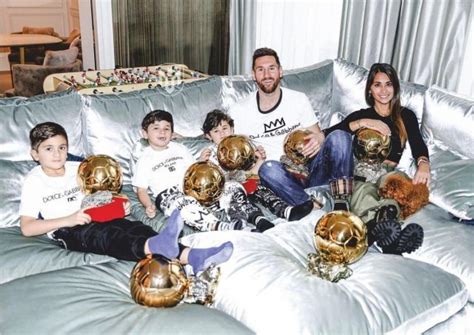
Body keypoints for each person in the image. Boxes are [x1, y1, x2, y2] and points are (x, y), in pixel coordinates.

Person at [19, 122, 233, 274]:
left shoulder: (79, 168)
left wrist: (118, 202)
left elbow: (102, 192)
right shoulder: (34, 181)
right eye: (49, 149)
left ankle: (194, 257)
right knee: (109, 236)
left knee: (137, 228)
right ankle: (164, 249)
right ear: (35, 154)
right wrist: (70, 219)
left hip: (97, 215)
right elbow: (27, 227)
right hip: (69, 229)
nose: (57, 154)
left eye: (62, 148)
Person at [228, 47, 354, 211]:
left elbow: (318, 135)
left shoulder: (298, 99)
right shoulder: (239, 110)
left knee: (339, 136)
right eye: (261, 70)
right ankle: (311, 207)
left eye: (271, 68)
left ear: (280, 71)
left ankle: (341, 204)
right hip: (279, 177)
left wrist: (318, 139)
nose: (267, 75)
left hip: (311, 168)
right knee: (268, 169)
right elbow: (236, 157)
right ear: (254, 74)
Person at [324, 63, 428, 255]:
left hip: (390, 172)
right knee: (363, 192)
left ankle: (381, 230)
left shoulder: (406, 116)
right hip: (364, 170)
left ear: (395, 87)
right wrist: (361, 123)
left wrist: (423, 164)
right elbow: (328, 135)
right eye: (377, 85)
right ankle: (385, 237)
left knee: (396, 190)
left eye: (388, 84)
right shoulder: (362, 115)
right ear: (370, 89)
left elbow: (418, 144)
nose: (383, 90)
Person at [132, 110, 242, 232]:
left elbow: (193, 169)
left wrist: (200, 161)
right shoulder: (144, 159)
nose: (162, 132)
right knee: (183, 204)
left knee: (231, 186)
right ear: (145, 133)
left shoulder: (180, 148)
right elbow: (141, 189)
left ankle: (243, 217)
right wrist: (148, 205)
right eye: (156, 128)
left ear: (172, 132)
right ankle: (218, 226)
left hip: (193, 187)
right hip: (169, 194)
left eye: (166, 128)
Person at [200, 109, 313, 226]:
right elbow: (204, 183)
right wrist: (201, 163)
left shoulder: (241, 147)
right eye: (216, 131)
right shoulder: (209, 154)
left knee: (258, 188)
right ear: (209, 136)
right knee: (235, 192)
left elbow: (250, 175)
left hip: (245, 183)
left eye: (224, 128)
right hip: (226, 191)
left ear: (232, 129)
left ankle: (287, 211)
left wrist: (260, 160)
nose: (222, 134)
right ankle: (259, 220)